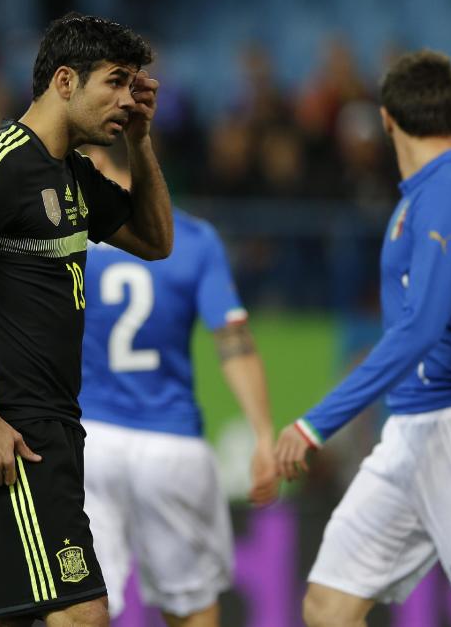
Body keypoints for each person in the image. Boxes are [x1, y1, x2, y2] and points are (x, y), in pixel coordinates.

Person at [0, 13, 172, 627]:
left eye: (134, 87)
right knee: (83, 614)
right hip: (9, 428)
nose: (128, 99)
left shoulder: (70, 173)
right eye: (116, 83)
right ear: (65, 81)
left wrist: (140, 141)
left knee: (0, 620)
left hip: (49, 427)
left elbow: (155, 239)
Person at [275, 50, 451, 627]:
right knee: (327, 605)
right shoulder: (432, 193)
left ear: (385, 120)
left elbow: (420, 328)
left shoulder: (450, 192)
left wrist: (316, 422)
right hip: (410, 434)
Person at [78, 145, 279, 627]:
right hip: (170, 445)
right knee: (191, 608)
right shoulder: (192, 238)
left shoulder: (67, 235)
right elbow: (233, 341)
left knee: (82, 603)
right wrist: (264, 433)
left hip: (87, 441)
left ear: (93, 163)